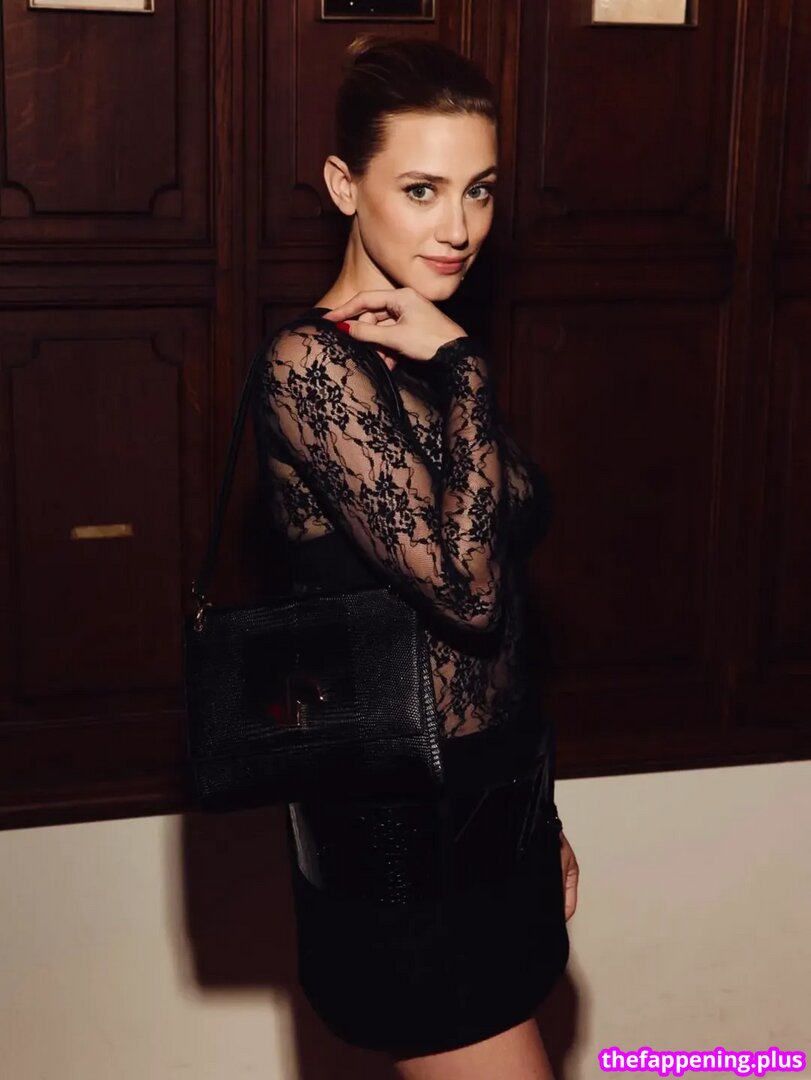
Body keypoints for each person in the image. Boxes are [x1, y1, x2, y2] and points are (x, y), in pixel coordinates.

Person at [251, 34, 580, 1079]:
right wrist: (464, 365)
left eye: (478, 190)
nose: (458, 227)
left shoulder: (427, 352)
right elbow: (465, 594)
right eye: (423, 189)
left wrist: (538, 816)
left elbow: (504, 629)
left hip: (495, 814)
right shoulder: (309, 365)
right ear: (344, 185)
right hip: (402, 850)